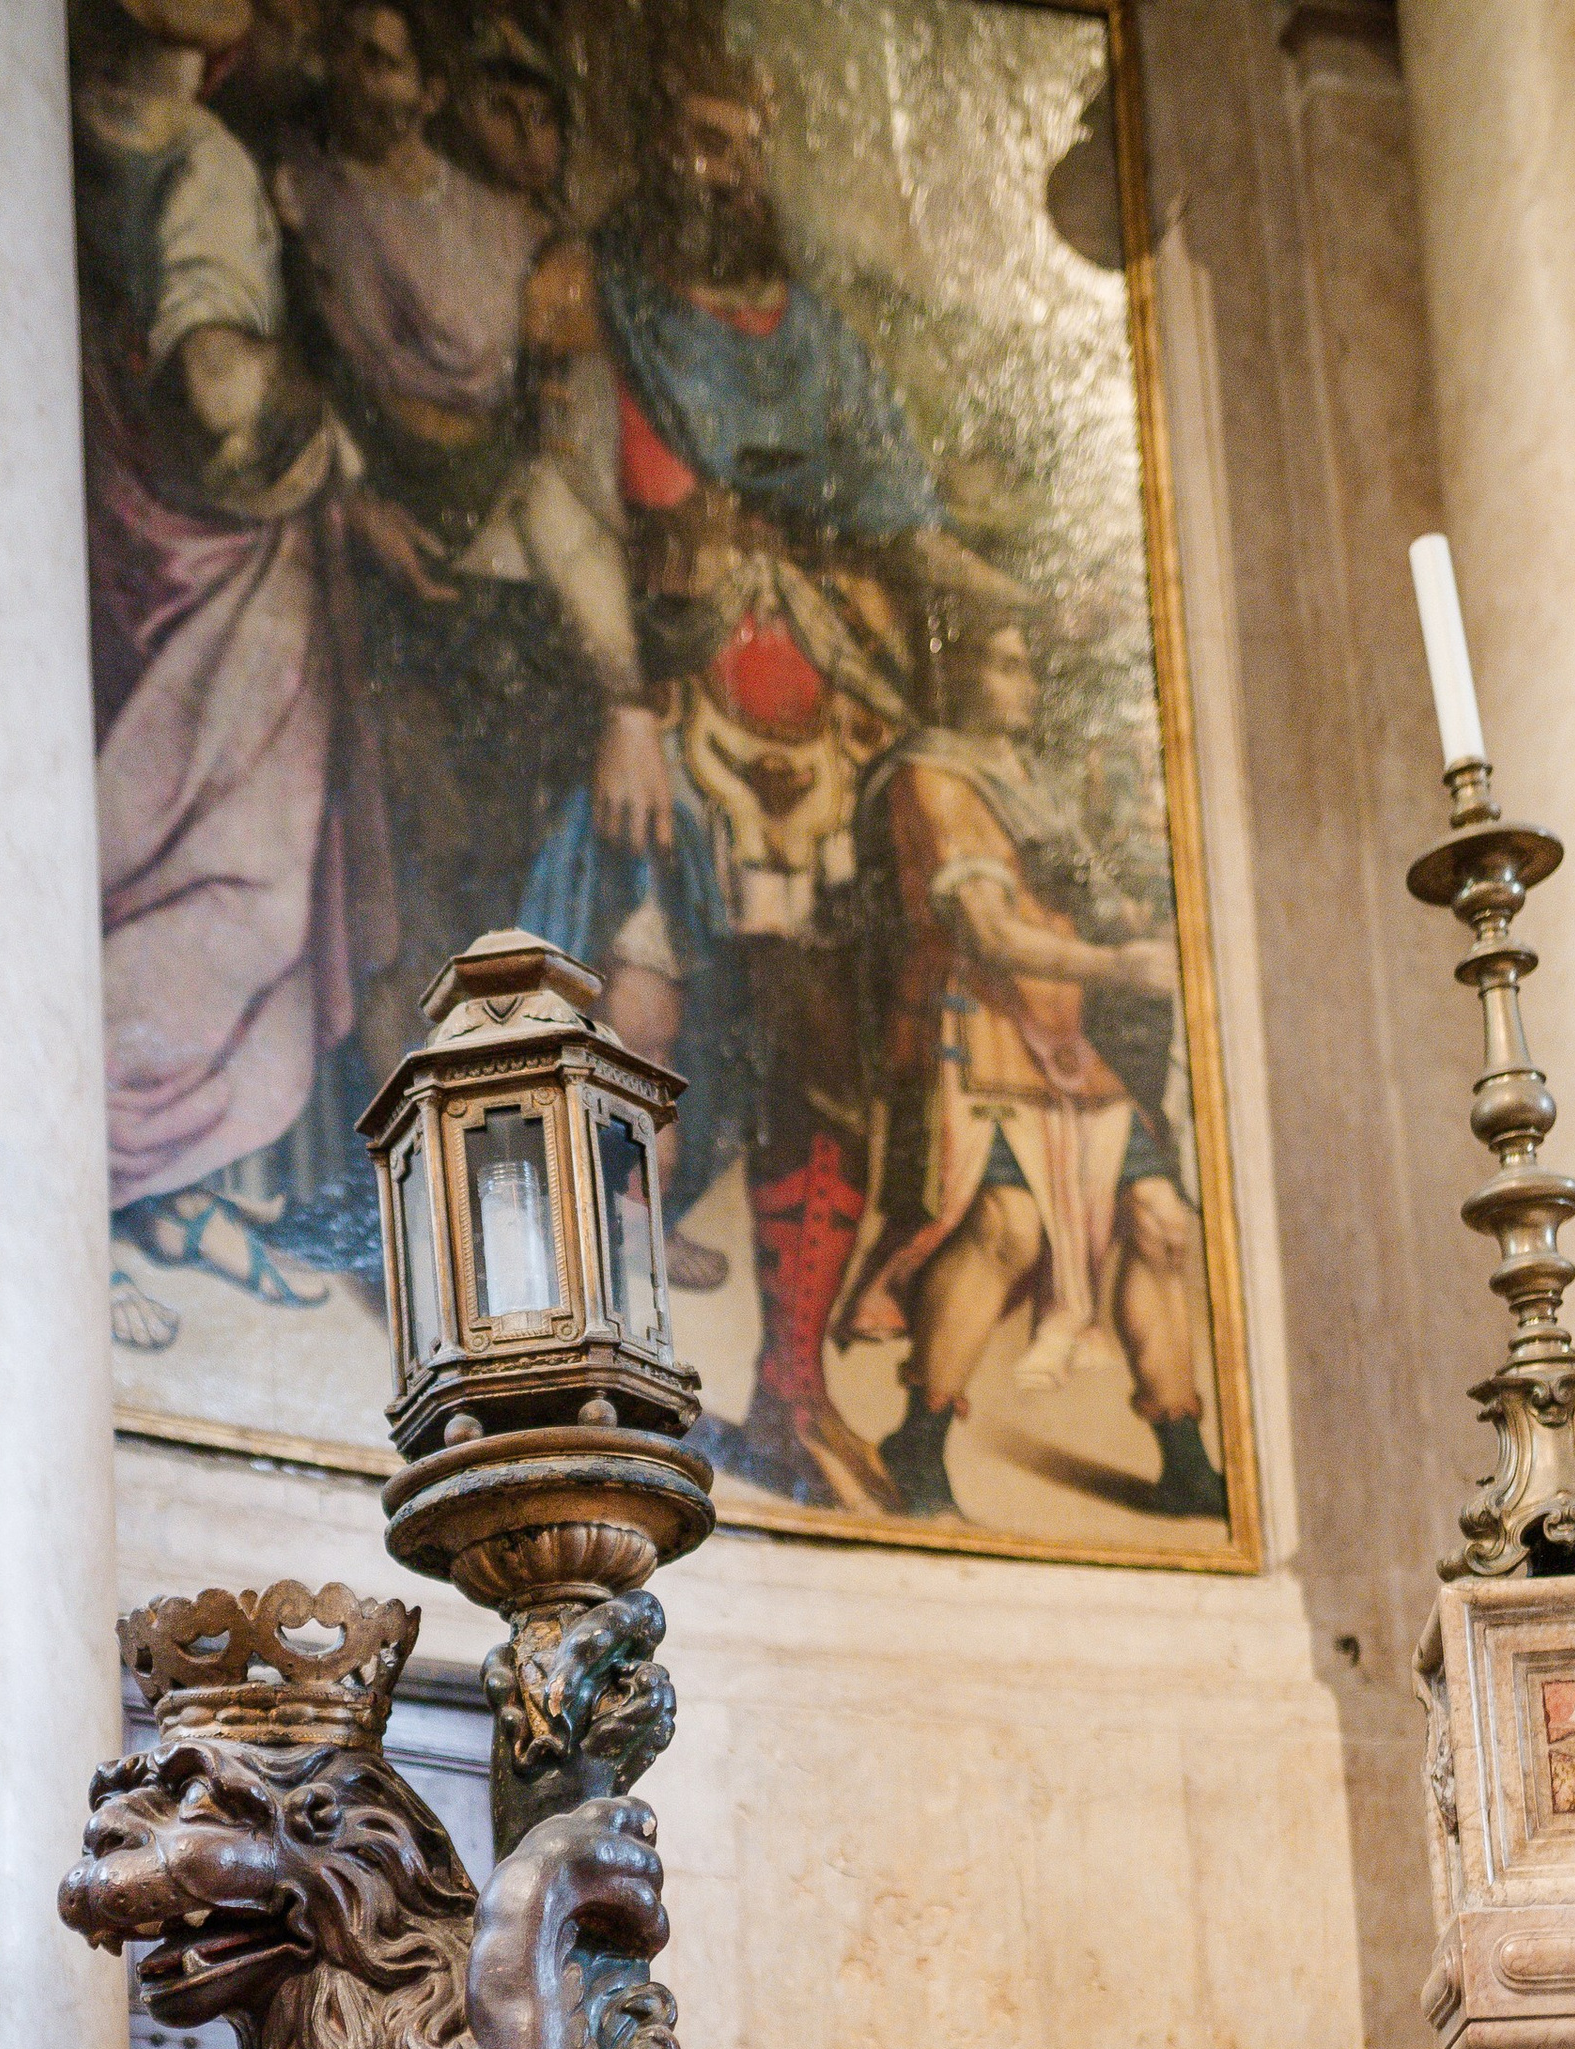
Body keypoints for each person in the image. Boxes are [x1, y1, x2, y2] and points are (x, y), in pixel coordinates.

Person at [515, 37, 1022, 1508]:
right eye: (688, 140)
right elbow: (555, 496)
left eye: (734, 146)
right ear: (651, 145)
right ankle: (586, 1380)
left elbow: (906, 522)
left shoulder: (819, 339)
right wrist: (623, 700)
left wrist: (1028, 600)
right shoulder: (593, 299)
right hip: (673, 720)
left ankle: (790, 1397)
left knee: (825, 1065)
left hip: (828, 738)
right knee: (640, 1022)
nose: (711, 171)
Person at [72, 0, 392, 1337]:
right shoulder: (198, 160)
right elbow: (216, 384)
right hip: (226, 576)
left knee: (152, 873)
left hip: (133, 547)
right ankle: (73, 1187)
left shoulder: (82, 131)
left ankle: (155, 1189)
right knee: (242, 904)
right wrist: (317, 447)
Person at [273, 1, 639, 1075]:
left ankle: (514, 1101)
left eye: (386, 61)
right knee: (408, 867)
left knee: (515, 865)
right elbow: (304, 381)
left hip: (508, 577)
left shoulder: (513, 234)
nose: (361, 77)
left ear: (428, 91)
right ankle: (418, 1113)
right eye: (348, 55)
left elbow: (555, 433)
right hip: (383, 581)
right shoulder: (302, 198)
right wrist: (353, 501)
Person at [840, 610, 1227, 1522]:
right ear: (958, 670)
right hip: (974, 1031)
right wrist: (1120, 964)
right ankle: (920, 1436)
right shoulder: (934, 777)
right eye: (1004, 663)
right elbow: (985, 931)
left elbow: (1077, 898)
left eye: (1027, 665)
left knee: (1160, 1220)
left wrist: (1132, 923)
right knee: (1008, 1227)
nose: (1025, 683)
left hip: (1060, 1034)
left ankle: (1183, 1455)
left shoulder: (1031, 785)